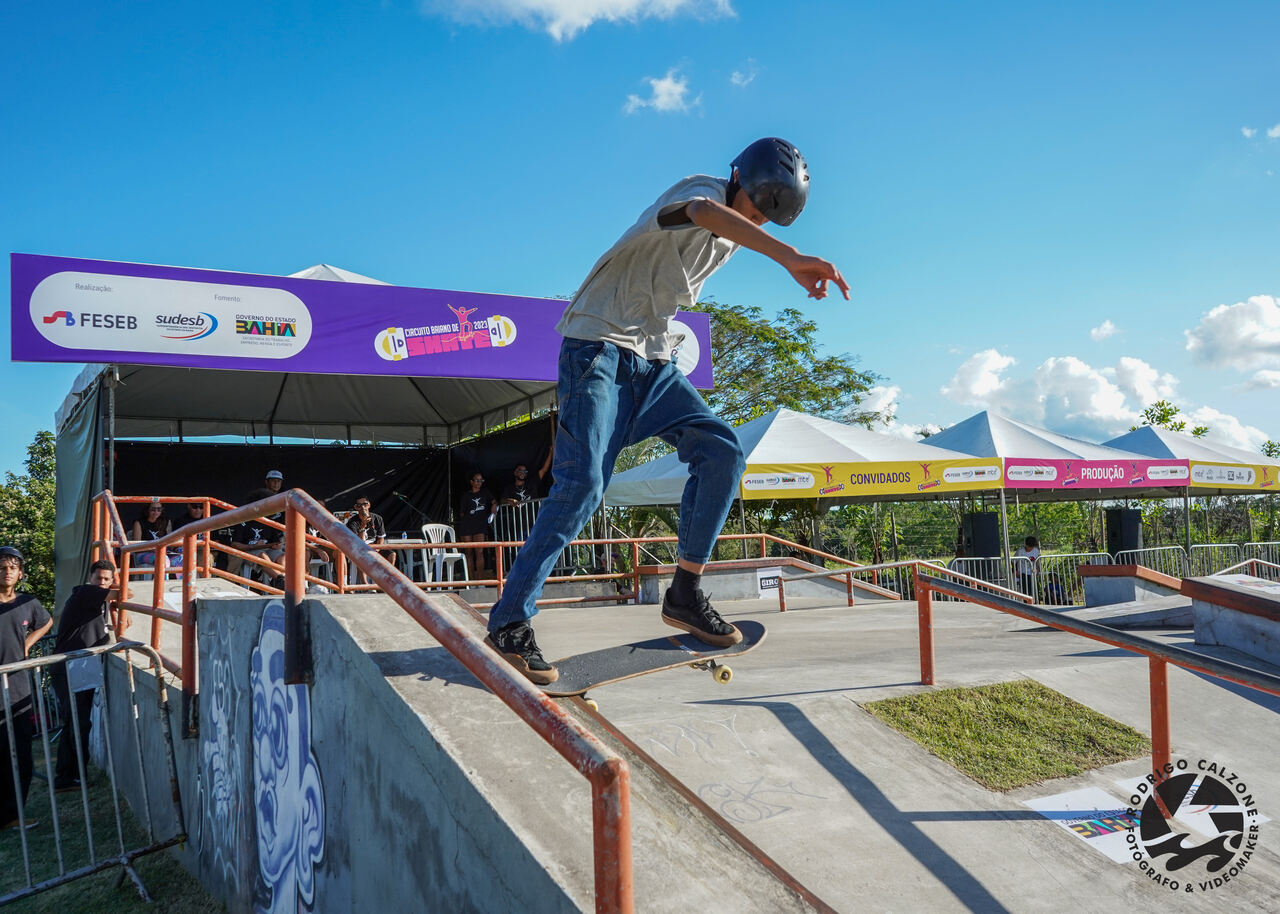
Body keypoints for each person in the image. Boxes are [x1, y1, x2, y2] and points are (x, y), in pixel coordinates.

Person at [484, 137, 848, 684]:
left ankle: (684, 592)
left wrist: (777, 248)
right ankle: (510, 620)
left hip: (652, 364)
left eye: (762, 219)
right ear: (737, 182)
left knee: (723, 451)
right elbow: (707, 215)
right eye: (749, 208)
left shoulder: (735, 236)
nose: (752, 221)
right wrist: (791, 259)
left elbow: (726, 232)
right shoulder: (700, 192)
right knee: (582, 487)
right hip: (595, 350)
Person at [51, 560, 116, 791]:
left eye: (107, 579)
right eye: (99, 578)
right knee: (77, 721)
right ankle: (68, 777)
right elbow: (125, 592)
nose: (103, 583)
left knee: (77, 721)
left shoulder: (94, 599)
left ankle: (68, 775)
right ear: (90, 578)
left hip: (81, 663)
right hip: (71, 664)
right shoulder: (85, 593)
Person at [0, 546, 53, 829]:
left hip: (18, 687)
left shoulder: (28, 603)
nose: (7, 572)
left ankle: (12, 816)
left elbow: (46, 622)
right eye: (2, 567)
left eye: (12, 567)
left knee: (20, 753)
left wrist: (28, 644)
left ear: (20, 573)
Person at [345, 498, 394, 584]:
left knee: (392, 554)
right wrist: (363, 526)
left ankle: (387, 581)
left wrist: (378, 548)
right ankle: (365, 584)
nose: (363, 507)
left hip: (374, 546)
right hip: (359, 547)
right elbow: (358, 542)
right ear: (356, 508)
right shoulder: (352, 522)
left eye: (365, 504)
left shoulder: (377, 518)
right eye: (359, 506)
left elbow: (381, 537)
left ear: (369, 505)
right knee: (361, 555)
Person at [457, 472, 495, 578]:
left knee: (479, 552)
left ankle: (480, 579)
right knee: (469, 553)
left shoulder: (485, 492)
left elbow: (494, 501)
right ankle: (471, 580)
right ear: (471, 482)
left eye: (481, 480)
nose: (479, 483)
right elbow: (462, 513)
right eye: (477, 480)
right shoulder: (466, 495)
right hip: (467, 525)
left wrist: (494, 506)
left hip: (480, 525)